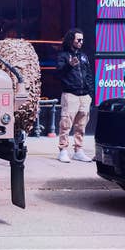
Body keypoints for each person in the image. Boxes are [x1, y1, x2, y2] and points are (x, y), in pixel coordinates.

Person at [55, 28, 94, 163]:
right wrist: (69, 65)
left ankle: (78, 150)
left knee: (81, 125)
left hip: (84, 95)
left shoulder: (83, 56)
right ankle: (63, 151)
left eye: (82, 40)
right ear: (71, 40)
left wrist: (90, 92)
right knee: (66, 123)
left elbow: (89, 74)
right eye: (78, 39)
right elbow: (59, 73)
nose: (81, 42)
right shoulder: (63, 56)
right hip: (70, 94)